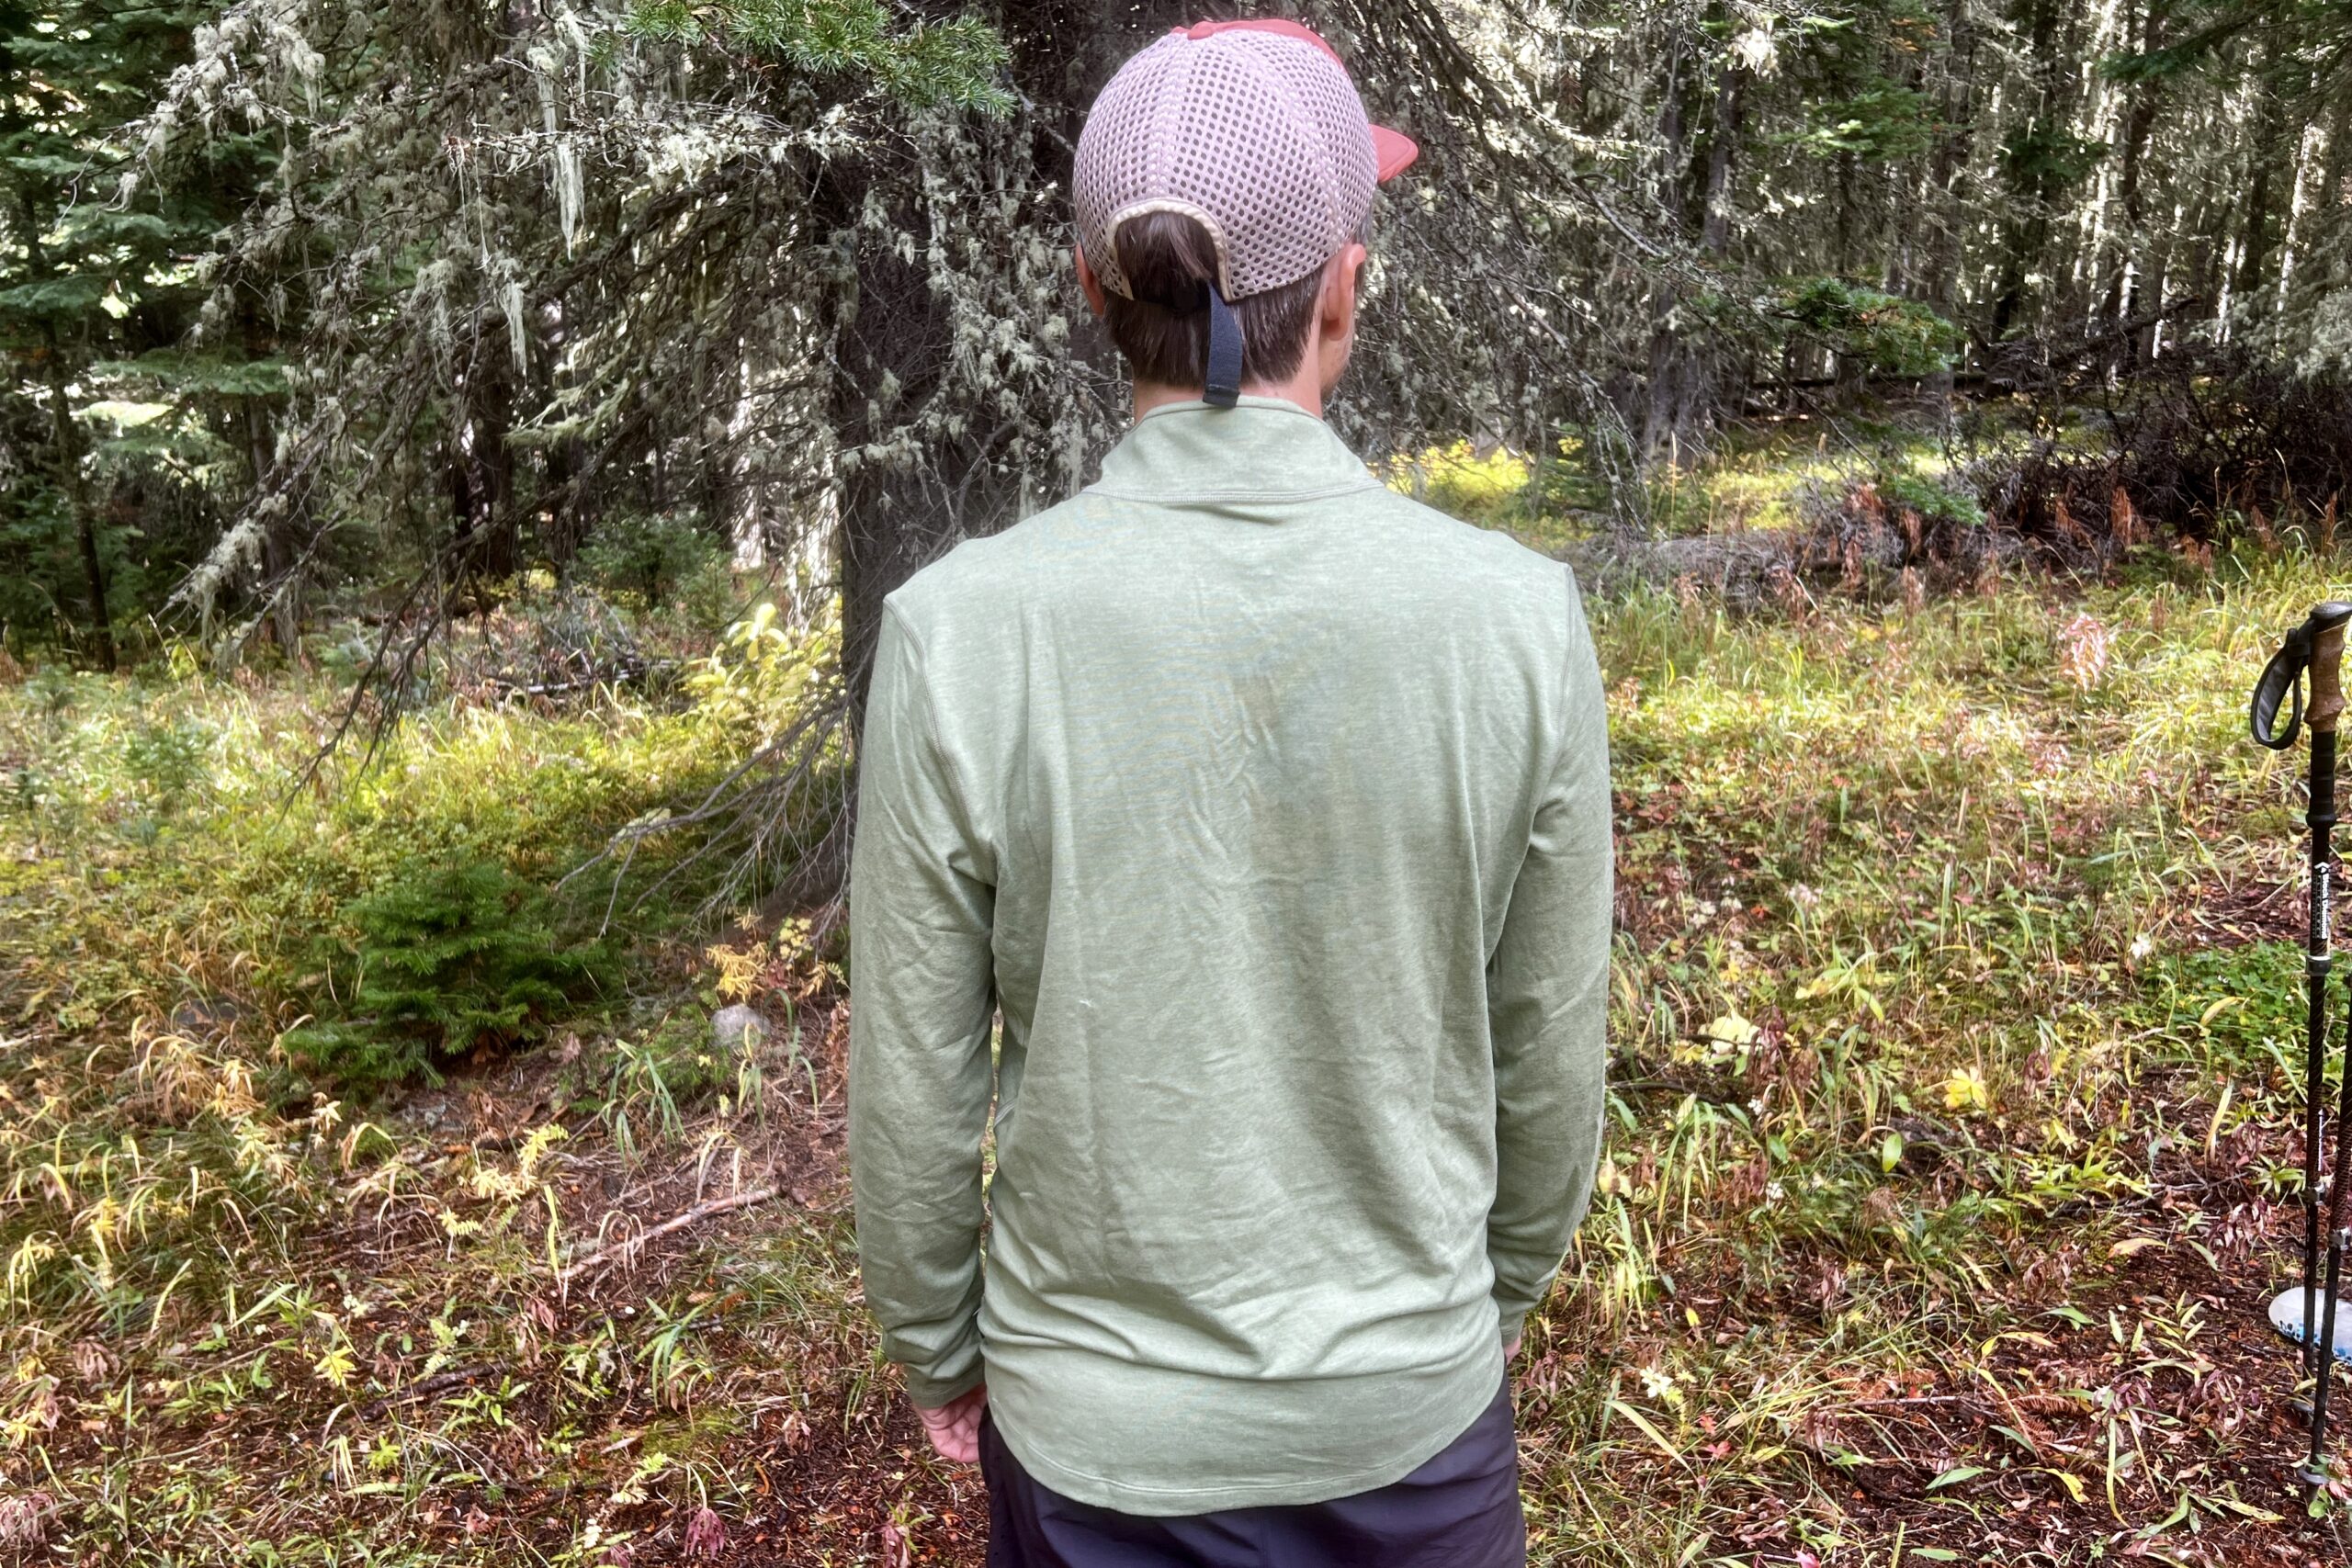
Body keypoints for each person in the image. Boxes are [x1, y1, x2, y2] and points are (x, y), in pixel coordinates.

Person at [847, 17, 1612, 1565]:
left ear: (1090, 289)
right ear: (1345, 285)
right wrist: (1478, 1305)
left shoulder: (961, 630)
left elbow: (915, 1086)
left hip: (1094, 1449)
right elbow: (1549, 1053)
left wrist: (938, 1350)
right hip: (1409, 1431)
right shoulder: (1515, 622)